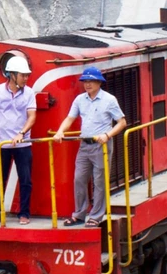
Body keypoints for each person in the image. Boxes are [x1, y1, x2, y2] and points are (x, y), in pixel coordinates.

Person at [53, 67, 126, 228]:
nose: (87, 84)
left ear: (99, 82)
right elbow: (70, 118)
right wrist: (59, 132)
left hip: (102, 145)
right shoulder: (80, 99)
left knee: (99, 181)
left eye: (91, 81)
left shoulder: (109, 100)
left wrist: (107, 135)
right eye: (85, 81)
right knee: (79, 179)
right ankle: (79, 214)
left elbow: (122, 122)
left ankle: (96, 216)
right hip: (84, 144)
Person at [0, 56, 37, 225]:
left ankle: (24, 214)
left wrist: (22, 133)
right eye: (22, 75)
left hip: (23, 144)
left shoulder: (29, 92)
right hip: (1, 144)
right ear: (12, 75)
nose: (26, 78)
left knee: (25, 180)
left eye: (27, 75)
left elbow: (32, 116)